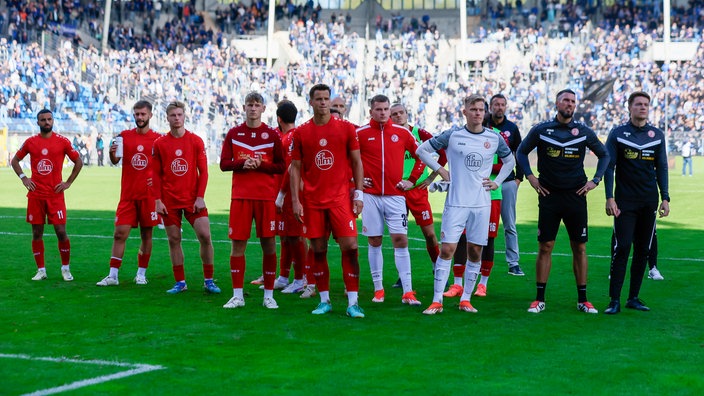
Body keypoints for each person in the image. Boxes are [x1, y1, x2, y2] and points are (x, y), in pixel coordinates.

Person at [416, 94, 515, 315]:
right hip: (456, 203)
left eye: (481, 110)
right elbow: (421, 150)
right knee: (448, 249)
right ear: (464, 112)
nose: (478, 113)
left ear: (485, 112)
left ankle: (466, 299)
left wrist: (497, 182)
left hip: (481, 204)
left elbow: (510, 161)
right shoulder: (453, 135)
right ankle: (436, 300)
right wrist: (440, 170)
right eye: (473, 109)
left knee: (475, 251)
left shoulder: (494, 138)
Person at [516, 89, 609, 314]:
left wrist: (595, 181)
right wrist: (530, 177)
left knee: (579, 247)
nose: (569, 104)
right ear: (557, 104)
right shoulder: (542, 129)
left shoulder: (584, 131)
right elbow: (521, 152)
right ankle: (539, 299)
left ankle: (583, 300)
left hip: (576, 196)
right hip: (549, 195)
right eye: (566, 101)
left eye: (572, 102)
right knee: (545, 246)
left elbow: (604, 155)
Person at [289, 83, 366, 318]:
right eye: (319, 99)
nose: (323, 102)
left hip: (341, 200)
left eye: (326, 99)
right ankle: (324, 300)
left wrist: (359, 193)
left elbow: (356, 162)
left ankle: (353, 302)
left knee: (351, 248)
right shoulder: (301, 133)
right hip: (313, 201)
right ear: (310, 102)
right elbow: (295, 168)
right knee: (319, 250)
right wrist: (295, 200)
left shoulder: (345, 129)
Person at [603, 91, 670, 314]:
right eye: (638, 104)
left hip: (648, 201)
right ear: (629, 107)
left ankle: (633, 297)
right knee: (622, 248)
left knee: (643, 250)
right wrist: (609, 197)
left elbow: (661, 167)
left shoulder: (657, 135)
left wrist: (665, 197)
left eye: (646, 105)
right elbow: (609, 167)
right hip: (624, 202)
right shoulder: (618, 134)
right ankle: (614, 300)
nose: (643, 108)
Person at [219, 92, 285, 309]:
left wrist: (261, 165)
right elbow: (224, 164)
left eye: (257, 105)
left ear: (263, 109)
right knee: (238, 244)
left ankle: (268, 295)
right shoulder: (234, 133)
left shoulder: (272, 135)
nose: (253, 108)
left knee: (268, 244)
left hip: (265, 197)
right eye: (250, 105)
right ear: (244, 107)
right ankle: (237, 296)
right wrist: (242, 164)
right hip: (241, 197)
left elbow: (281, 166)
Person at [357, 95, 424, 306]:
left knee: (400, 240)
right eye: (379, 109)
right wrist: (355, 180)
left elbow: (422, 155)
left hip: (396, 196)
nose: (383, 113)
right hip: (370, 196)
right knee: (374, 240)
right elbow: (347, 159)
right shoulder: (360, 133)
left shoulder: (403, 133)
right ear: (371, 111)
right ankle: (378, 289)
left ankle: (408, 291)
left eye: (386, 109)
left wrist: (411, 180)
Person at [152, 101, 220, 295]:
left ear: (185, 116)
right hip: (169, 200)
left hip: (193, 200)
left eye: (180, 114)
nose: (177, 118)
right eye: (173, 115)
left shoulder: (195, 141)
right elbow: (155, 174)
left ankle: (209, 280)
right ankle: (180, 282)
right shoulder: (160, 144)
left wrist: (200, 197)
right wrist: (157, 200)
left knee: (205, 236)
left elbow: (204, 172)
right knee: (174, 239)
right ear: (167, 117)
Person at [11, 109, 83, 281]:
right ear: (38, 122)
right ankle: (41, 270)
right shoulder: (30, 142)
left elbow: (78, 161)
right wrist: (24, 178)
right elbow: (15, 160)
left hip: (55, 195)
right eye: (43, 119)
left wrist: (68, 182)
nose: (46, 122)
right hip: (36, 195)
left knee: (60, 231)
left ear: (53, 120)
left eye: (49, 119)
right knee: (37, 232)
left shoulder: (62, 142)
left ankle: (65, 268)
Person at [96, 101, 162, 287]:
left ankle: (141, 274)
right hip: (128, 195)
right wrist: (111, 154)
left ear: (150, 115)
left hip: (149, 196)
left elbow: (164, 166)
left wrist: (158, 183)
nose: (139, 117)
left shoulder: (158, 139)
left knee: (146, 235)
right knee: (119, 234)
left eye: (143, 114)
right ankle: (113, 275)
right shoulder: (124, 136)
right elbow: (115, 160)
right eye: (137, 114)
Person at [389, 103, 443, 281]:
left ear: (407, 113)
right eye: (394, 114)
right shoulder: (388, 135)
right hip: (397, 193)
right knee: (399, 236)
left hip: (418, 192)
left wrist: (431, 177)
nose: (398, 116)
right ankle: (401, 275)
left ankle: (437, 267)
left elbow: (443, 153)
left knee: (429, 233)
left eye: (401, 113)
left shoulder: (420, 133)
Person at [273, 100, 314, 296]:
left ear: (278, 119)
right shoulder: (293, 136)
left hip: (293, 193)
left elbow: (291, 168)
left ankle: (301, 278)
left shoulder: (290, 139)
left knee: (296, 236)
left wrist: (281, 195)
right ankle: (286, 277)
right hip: (295, 192)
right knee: (289, 236)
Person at [485, 94, 525, 276]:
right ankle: (479, 262)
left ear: (506, 107)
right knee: (482, 223)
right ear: (491, 106)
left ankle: (513, 262)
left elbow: (520, 153)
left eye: (502, 105)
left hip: (507, 181)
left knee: (509, 223)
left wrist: (519, 179)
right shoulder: (483, 125)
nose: (499, 107)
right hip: (485, 183)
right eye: (496, 104)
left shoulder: (511, 128)